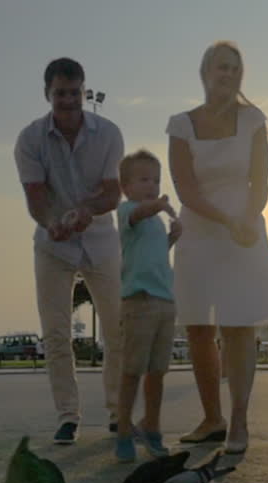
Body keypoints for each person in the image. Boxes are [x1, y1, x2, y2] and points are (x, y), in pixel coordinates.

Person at [167, 41, 268, 455]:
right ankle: (212, 418)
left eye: (235, 69)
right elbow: (185, 190)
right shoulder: (181, 125)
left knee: (239, 326)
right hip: (201, 230)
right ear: (206, 71)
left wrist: (245, 217)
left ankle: (239, 419)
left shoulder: (253, 120)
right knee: (199, 327)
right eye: (222, 67)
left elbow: (260, 181)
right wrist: (224, 219)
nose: (228, 75)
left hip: (243, 230)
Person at [14, 57, 124, 445]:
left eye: (74, 92)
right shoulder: (29, 139)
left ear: (83, 90)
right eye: (60, 93)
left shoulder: (109, 133)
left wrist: (87, 212)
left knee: (117, 327)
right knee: (56, 331)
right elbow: (35, 197)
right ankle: (67, 415)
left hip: (100, 238)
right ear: (48, 94)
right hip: (53, 244)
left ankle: (118, 410)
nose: (68, 100)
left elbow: (113, 191)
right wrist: (53, 222)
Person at [113, 150, 181, 463]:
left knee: (157, 371)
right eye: (143, 180)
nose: (151, 185)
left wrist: (171, 239)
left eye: (155, 180)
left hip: (164, 301)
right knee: (132, 371)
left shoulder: (153, 222)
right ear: (125, 186)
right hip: (139, 301)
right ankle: (124, 430)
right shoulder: (128, 211)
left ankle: (151, 426)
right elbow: (138, 215)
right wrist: (159, 205)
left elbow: (153, 255)